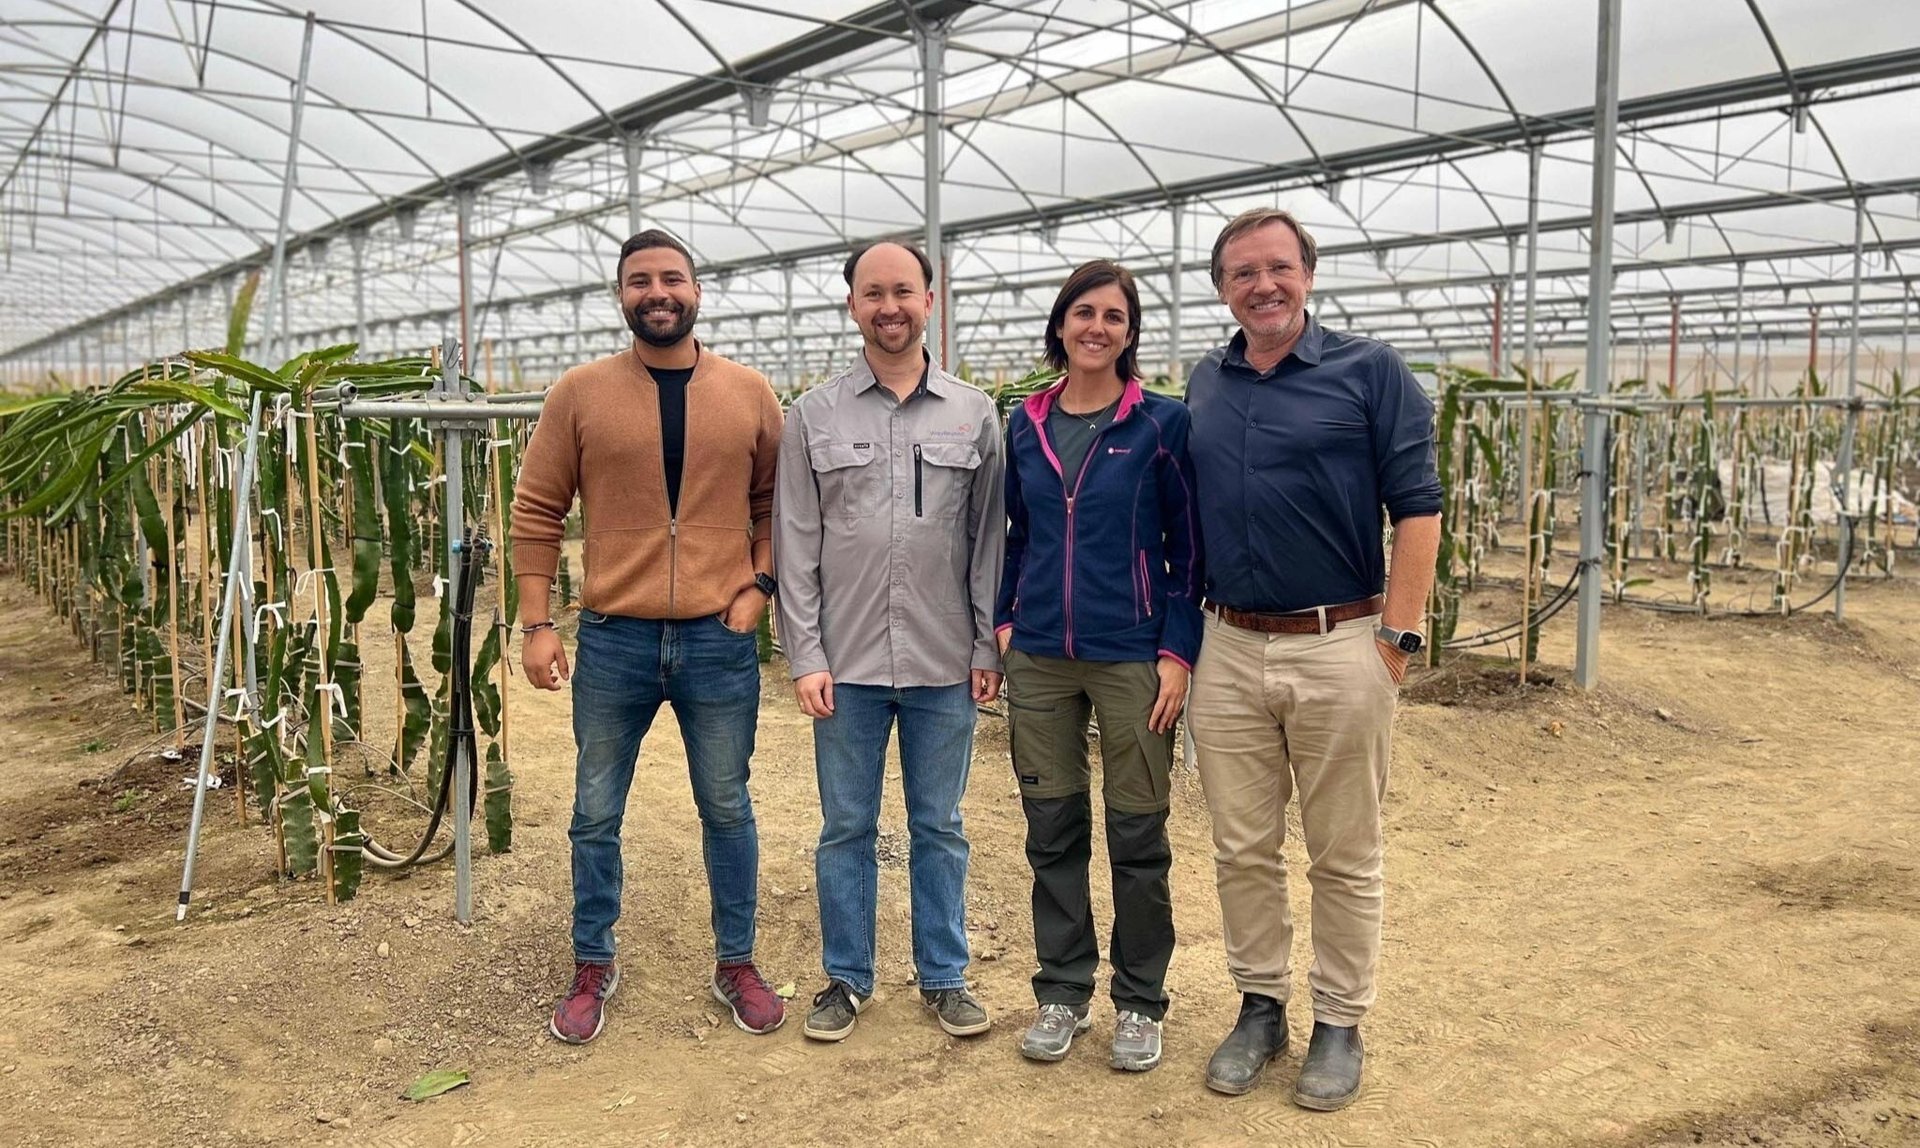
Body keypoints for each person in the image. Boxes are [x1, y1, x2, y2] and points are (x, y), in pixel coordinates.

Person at [1184, 208, 1442, 1109]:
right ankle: (1261, 1006)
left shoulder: (1370, 371)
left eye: (1279, 268)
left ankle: (1339, 1020)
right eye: (1243, 273)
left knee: (1343, 849)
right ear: (1223, 289)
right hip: (1227, 643)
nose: (1263, 286)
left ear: (1308, 274)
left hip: (1340, 644)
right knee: (1241, 846)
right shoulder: (1206, 382)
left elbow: (1419, 507)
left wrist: (1396, 641)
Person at [512, 228, 787, 1045]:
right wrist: (537, 623)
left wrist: (760, 586)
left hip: (717, 638)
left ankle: (736, 961)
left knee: (727, 805)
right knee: (595, 811)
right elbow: (537, 509)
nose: (657, 293)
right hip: (614, 638)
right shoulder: (580, 394)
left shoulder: (748, 392)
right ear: (621, 295)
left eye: (672, 278)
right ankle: (592, 960)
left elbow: (778, 503)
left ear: (696, 291)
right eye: (640, 281)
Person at [773, 240, 1006, 1043]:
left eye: (903, 291)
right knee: (846, 827)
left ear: (929, 300)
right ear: (852, 306)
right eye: (873, 293)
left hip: (945, 659)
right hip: (848, 663)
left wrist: (987, 645)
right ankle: (847, 978)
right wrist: (806, 655)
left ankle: (944, 976)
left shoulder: (974, 413)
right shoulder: (813, 415)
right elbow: (795, 542)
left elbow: (988, 540)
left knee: (939, 824)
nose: (889, 307)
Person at [994, 260, 1201, 1073]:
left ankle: (1141, 1001)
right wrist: (1006, 621)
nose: (1097, 328)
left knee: (1138, 832)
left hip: (1132, 656)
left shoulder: (1162, 423)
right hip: (1041, 655)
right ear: (1061, 324)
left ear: (1130, 332)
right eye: (1084, 313)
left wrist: (1177, 651)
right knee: (1052, 829)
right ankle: (1063, 991)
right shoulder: (1025, 423)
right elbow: (1014, 534)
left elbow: (1188, 550)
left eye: (1114, 316)